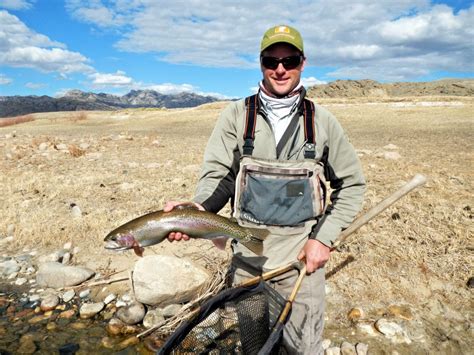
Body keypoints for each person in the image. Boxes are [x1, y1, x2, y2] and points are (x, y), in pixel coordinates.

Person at [165, 24, 365, 354]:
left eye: (290, 60)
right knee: (255, 344)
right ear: (261, 63)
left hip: (301, 263)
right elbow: (221, 176)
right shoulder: (236, 115)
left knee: (302, 347)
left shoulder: (323, 121)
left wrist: (322, 239)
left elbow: (351, 184)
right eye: (272, 60)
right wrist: (198, 210)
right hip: (247, 261)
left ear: (303, 63)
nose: (281, 69)